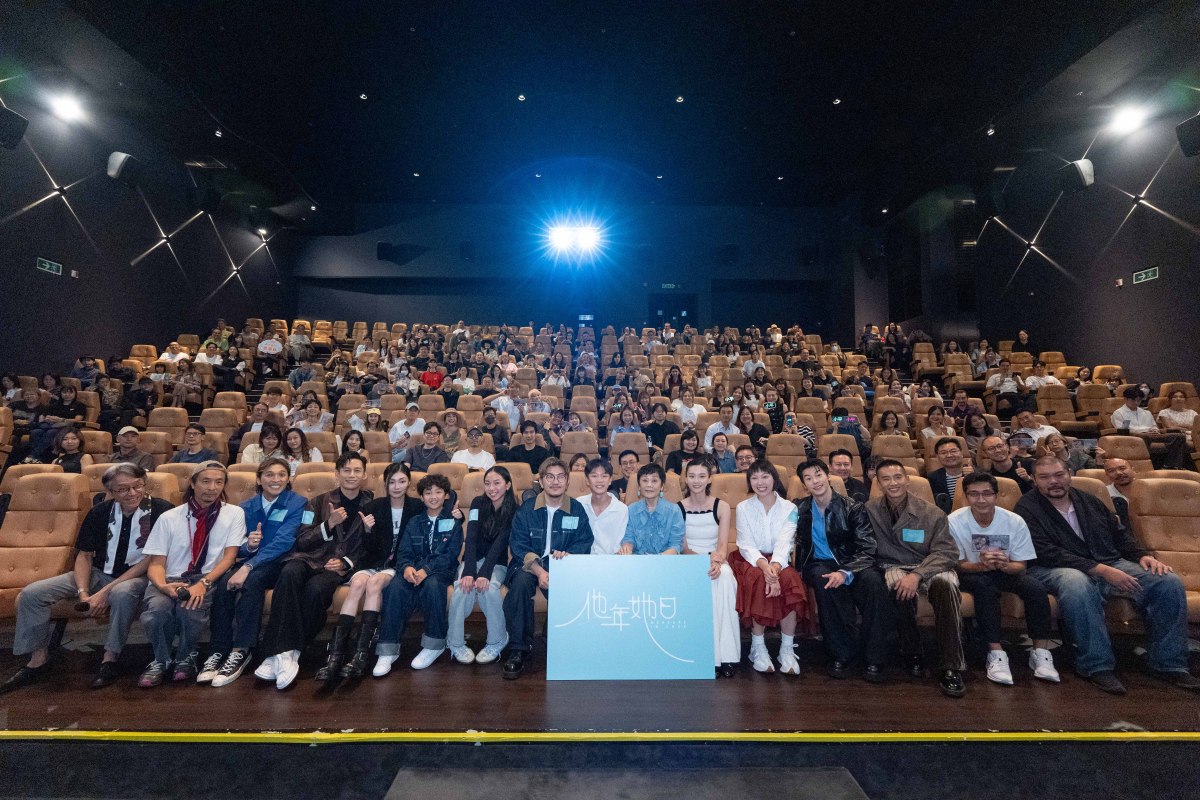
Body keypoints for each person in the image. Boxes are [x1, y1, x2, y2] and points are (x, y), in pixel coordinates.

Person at [1016, 456, 1200, 694]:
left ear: (1069, 474)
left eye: (1059, 474)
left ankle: (1169, 663)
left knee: (1167, 582)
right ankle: (1096, 665)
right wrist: (1100, 570)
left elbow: (1119, 534)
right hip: (1052, 568)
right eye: (1045, 477)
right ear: (1034, 480)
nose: (1054, 481)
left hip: (1108, 561)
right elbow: (1044, 551)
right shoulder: (1026, 508)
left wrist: (1141, 556)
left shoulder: (1089, 500)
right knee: (1077, 583)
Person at [0, 464, 173, 694]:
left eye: (138, 486)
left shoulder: (162, 511)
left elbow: (152, 559)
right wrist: (83, 592)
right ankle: (38, 659)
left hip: (140, 575)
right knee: (32, 594)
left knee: (121, 593)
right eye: (123, 489)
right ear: (110, 491)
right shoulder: (100, 512)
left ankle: (110, 658)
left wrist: (103, 593)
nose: (132, 493)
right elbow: (84, 555)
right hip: (98, 572)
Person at [255, 453, 374, 689]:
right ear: (337, 474)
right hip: (310, 558)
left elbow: (372, 547)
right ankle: (284, 652)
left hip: (338, 568)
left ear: (364, 475)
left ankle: (285, 651)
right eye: (346, 470)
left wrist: (345, 563)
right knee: (288, 572)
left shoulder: (373, 505)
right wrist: (328, 525)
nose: (351, 475)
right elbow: (302, 539)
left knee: (315, 590)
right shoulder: (316, 502)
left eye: (357, 471)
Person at [200, 457, 306, 688]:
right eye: (269, 474)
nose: (276, 479)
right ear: (259, 479)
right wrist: (249, 546)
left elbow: (285, 541)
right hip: (251, 560)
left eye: (281, 474)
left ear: (288, 479)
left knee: (252, 582)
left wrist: (248, 566)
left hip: (280, 562)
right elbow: (236, 545)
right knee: (224, 582)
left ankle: (242, 649)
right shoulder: (246, 507)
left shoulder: (297, 502)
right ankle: (218, 649)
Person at [138, 462, 246, 687]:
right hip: (169, 579)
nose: (212, 488)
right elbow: (156, 564)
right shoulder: (169, 517)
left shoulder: (234, 513)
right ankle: (161, 660)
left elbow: (229, 558)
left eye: (218, 482)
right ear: (193, 483)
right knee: (156, 612)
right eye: (206, 481)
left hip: (204, 577)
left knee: (190, 610)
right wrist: (163, 586)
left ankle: (186, 657)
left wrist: (203, 583)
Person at [865, 460, 966, 698]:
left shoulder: (931, 512)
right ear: (878, 484)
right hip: (893, 564)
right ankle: (912, 652)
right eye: (886, 479)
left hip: (929, 564)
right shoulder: (869, 510)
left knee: (946, 586)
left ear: (907, 480)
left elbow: (947, 552)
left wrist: (918, 574)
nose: (893, 483)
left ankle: (951, 665)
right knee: (897, 586)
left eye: (898, 477)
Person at [948, 472, 1059, 685]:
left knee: (1035, 587)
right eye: (974, 494)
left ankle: (1041, 653)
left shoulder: (1014, 521)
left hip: (1005, 571)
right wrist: (982, 566)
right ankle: (996, 652)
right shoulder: (954, 521)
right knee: (984, 586)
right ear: (966, 497)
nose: (981, 500)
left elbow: (1021, 566)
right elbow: (958, 565)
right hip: (971, 573)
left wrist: (1004, 565)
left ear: (996, 495)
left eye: (987, 494)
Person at [323, 463, 422, 680]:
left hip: (397, 565)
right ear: (385, 483)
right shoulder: (373, 507)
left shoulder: (417, 507)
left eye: (402, 481)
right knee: (358, 584)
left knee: (374, 583)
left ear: (409, 483)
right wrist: (368, 530)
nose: (396, 486)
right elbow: (367, 548)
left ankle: (361, 654)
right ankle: (336, 655)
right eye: (392, 482)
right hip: (373, 562)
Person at [793, 458, 887, 682]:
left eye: (818, 475)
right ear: (804, 485)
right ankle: (840, 653)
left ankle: (874, 656)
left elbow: (868, 547)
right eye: (808, 478)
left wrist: (845, 571)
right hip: (819, 563)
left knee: (874, 584)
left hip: (854, 562)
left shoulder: (852, 507)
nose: (815, 481)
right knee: (825, 581)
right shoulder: (801, 508)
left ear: (828, 476)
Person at [501, 458, 594, 679]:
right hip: (529, 564)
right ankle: (518, 649)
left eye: (561, 477)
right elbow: (518, 545)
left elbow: (584, 541)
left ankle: (556, 643)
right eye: (549, 477)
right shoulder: (527, 509)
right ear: (541, 481)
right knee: (520, 585)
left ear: (567, 481)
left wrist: (568, 556)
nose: (555, 481)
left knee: (566, 587)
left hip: (562, 565)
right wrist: (540, 571)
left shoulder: (576, 509)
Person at [371, 473, 463, 673]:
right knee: (394, 587)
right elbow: (404, 551)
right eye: (428, 493)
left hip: (441, 571)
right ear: (421, 497)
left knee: (432, 585)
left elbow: (450, 555)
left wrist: (426, 570)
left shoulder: (453, 521)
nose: (433, 497)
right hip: (413, 569)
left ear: (446, 495)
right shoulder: (414, 522)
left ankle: (434, 645)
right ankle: (388, 649)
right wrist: (406, 567)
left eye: (438, 492)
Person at [729, 460, 808, 675]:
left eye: (765, 476)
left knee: (790, 580)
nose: (760, 482)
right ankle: (758, 646)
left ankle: (786, 648)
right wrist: (766, 569)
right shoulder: (744, 507)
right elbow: (745, 544)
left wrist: (774, 567)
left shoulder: (790, 508)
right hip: (750, 559)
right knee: (757, 579)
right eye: (754, 478)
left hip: (778, 559)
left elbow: (785, 542)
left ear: (774, 478)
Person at [445, 466, 517, 666]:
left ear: (507, 485)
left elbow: (501, 542)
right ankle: (455, 643)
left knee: (490, 588)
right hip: (471, 559)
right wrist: (469, 571)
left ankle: (497, 640)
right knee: (462, 587)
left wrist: (484, 573)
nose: (491, 488)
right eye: (487, 483)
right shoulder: (477, 502)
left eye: (497, 483)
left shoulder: (514, 508)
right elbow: (471, 536)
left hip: (497, 563)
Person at [679, 457, 740, 677]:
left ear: (710, 479)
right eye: (692, 476)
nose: (696, 481)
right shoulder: (678, 508)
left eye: (701, 476)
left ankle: (727, 655)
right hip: (689, 561)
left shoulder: (721, 506)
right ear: (686, 479)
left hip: (716, 559)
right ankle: (708, 656)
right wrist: (704, 560)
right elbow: (684, 548)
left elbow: (723, 545)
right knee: (704, 578)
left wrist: (716, 560)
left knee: (724, 577)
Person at [1111, 386, 1191, 469]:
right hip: (1135, 436)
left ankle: (1170, 465)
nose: (1136, 403)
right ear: (1125, 399)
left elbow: (1153, 426)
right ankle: (1144, 466)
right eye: (1133, 400)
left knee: (1179, 436)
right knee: (1144, 436)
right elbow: (1123, 430)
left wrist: (1155, 430)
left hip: (1152, 434)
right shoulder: (1119, 413)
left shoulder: (1146, 413)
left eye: (1139, 400)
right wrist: (1144, 432)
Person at [619, 464, 684, 555]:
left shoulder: (674, 511)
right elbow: (628, 538)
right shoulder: (630, 510)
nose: (649, 485)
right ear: (639, 486)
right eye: (645, 480)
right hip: (637, 560)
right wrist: (627, 547)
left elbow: (676, 545)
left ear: (662, 486)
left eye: (654, 481)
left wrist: (657, 559)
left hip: (665, 560)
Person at [578, 458, 629, 555]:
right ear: (587, 480)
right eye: (594, 476)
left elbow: (619, 545)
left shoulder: (621, 509)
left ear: (610, 480)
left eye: (604, 476)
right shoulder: (579, 504)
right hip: (582, 559)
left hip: (611, 561)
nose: (599, 480)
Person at [926, 437, 973, 513]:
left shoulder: (978, 474)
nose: (949, 455)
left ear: (961, 452)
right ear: (937, 456)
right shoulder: (932, 478)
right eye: (943, 453)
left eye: (953, 451)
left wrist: (974, 478)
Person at [1101, 457, 1137, 531]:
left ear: (1132, 469)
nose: (1118, 473)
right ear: (1106, 475)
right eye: (1111, 471)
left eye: (1122, 468)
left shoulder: (1147, 489)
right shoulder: (1104, 493)